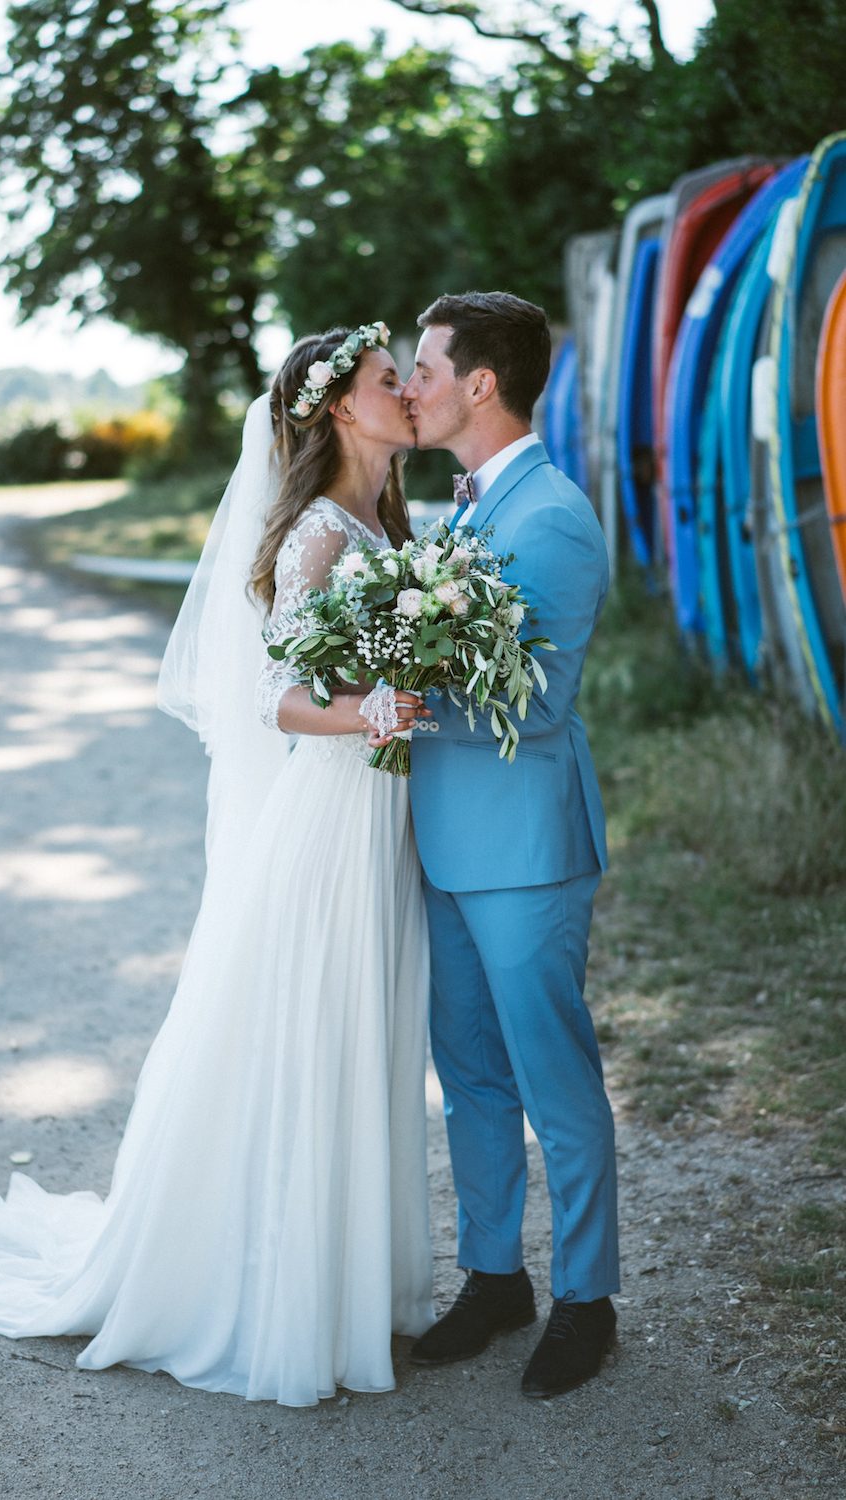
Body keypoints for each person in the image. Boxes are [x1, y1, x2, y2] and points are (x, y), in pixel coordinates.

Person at [0, 324, 435, 1408]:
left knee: (366, 1030)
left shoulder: (391, 520)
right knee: (312, 1029)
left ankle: (348, 1277)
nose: (412, 394)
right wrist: (377, 709)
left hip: (382, 811)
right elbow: (276, 700)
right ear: (343, 407)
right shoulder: (314, 539)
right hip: (331, 815)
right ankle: (280, 1293)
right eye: (394, 382)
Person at [400, 291, 620, 1398]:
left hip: (527, 849)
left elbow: (529, 705)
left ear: (480, 383)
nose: (412, 386)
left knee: (551, 1080)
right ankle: (495, 1278)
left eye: (427, 368)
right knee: (471, 1078)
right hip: (444, 845)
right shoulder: (464, 513)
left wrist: (394, 692)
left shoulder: (554, 520)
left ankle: (587, 1299)